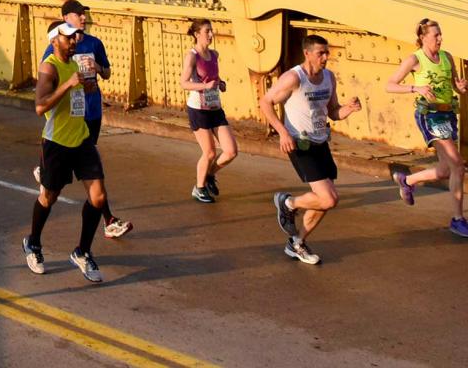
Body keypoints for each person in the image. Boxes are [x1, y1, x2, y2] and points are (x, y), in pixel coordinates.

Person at [260, 35, 363, 265]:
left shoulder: (328, 77)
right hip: (299, 143)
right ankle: (287, 203)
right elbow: (265, 102)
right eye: (321, 53)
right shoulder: (293, 78)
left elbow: (333, 111)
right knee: (328, 199)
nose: (326, 57)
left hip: (320, 142)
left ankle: (296, 243)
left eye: (327, 52)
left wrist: (349, 108)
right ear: (307, 53)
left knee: (324, 201)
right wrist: (283, 133)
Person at [33, 1, 133, 238]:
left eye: (84, 14)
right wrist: (68, 85)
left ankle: (105, 222)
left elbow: (107, 72)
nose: (83, 18)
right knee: (52, 192)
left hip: (90, 113)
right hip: (62, 126)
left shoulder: (94, 43)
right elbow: (44, 93)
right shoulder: (55, 54)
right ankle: (46, 172)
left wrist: (95, 70)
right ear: (66, 18)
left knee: (93, 174)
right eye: (78, 15)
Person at [24, 21, 108, 284]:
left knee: (98, 197)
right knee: (49, 197)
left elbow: (77, 96)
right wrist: (68, 85)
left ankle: (82, 251)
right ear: (54, 40)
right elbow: (40, 107)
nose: (74, 41)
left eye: (75, 37)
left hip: (80, 139)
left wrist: (87, 87)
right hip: (56, 143)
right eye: (68, 37)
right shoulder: (50, 67)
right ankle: (33, 243)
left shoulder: (75, 64)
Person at [387, 18, 467, 237]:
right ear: (423, 38)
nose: (440, 38)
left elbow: (454, 86)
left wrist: (460, 87)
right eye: (435, 35)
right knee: (458, 166)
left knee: (445, 170)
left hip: (448, 113)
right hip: (430, 115)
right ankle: (458, 219)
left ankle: (407, 180)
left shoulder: (447, 57)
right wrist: (416, 87)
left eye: (441, 34)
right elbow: (390, 84)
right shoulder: (415, 59)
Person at [182, 19, 238, 204]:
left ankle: (209, 174)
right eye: (207, 31)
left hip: (215, 108)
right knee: (210, 153)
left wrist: (220, 84)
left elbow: (214, 76)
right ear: (197, 34)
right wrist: (204, 86)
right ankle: (199, 188)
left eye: (211, 31)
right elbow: (184, 83)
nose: (211, 35)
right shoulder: (192, 56)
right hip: (198, 109)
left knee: (231, 151)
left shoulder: (214, 54)